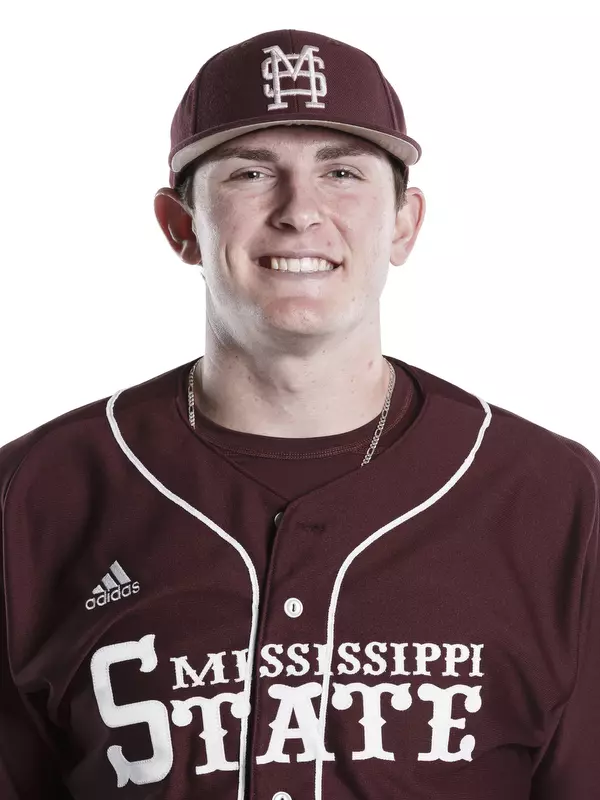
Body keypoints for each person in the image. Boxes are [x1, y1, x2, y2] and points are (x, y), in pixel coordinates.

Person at [0, 28, 598, 800]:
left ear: (405, 223)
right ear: (182, 227)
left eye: (341, 172)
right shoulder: (34, 497)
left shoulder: (554, 499)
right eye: (251, 172)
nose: (299, 212)